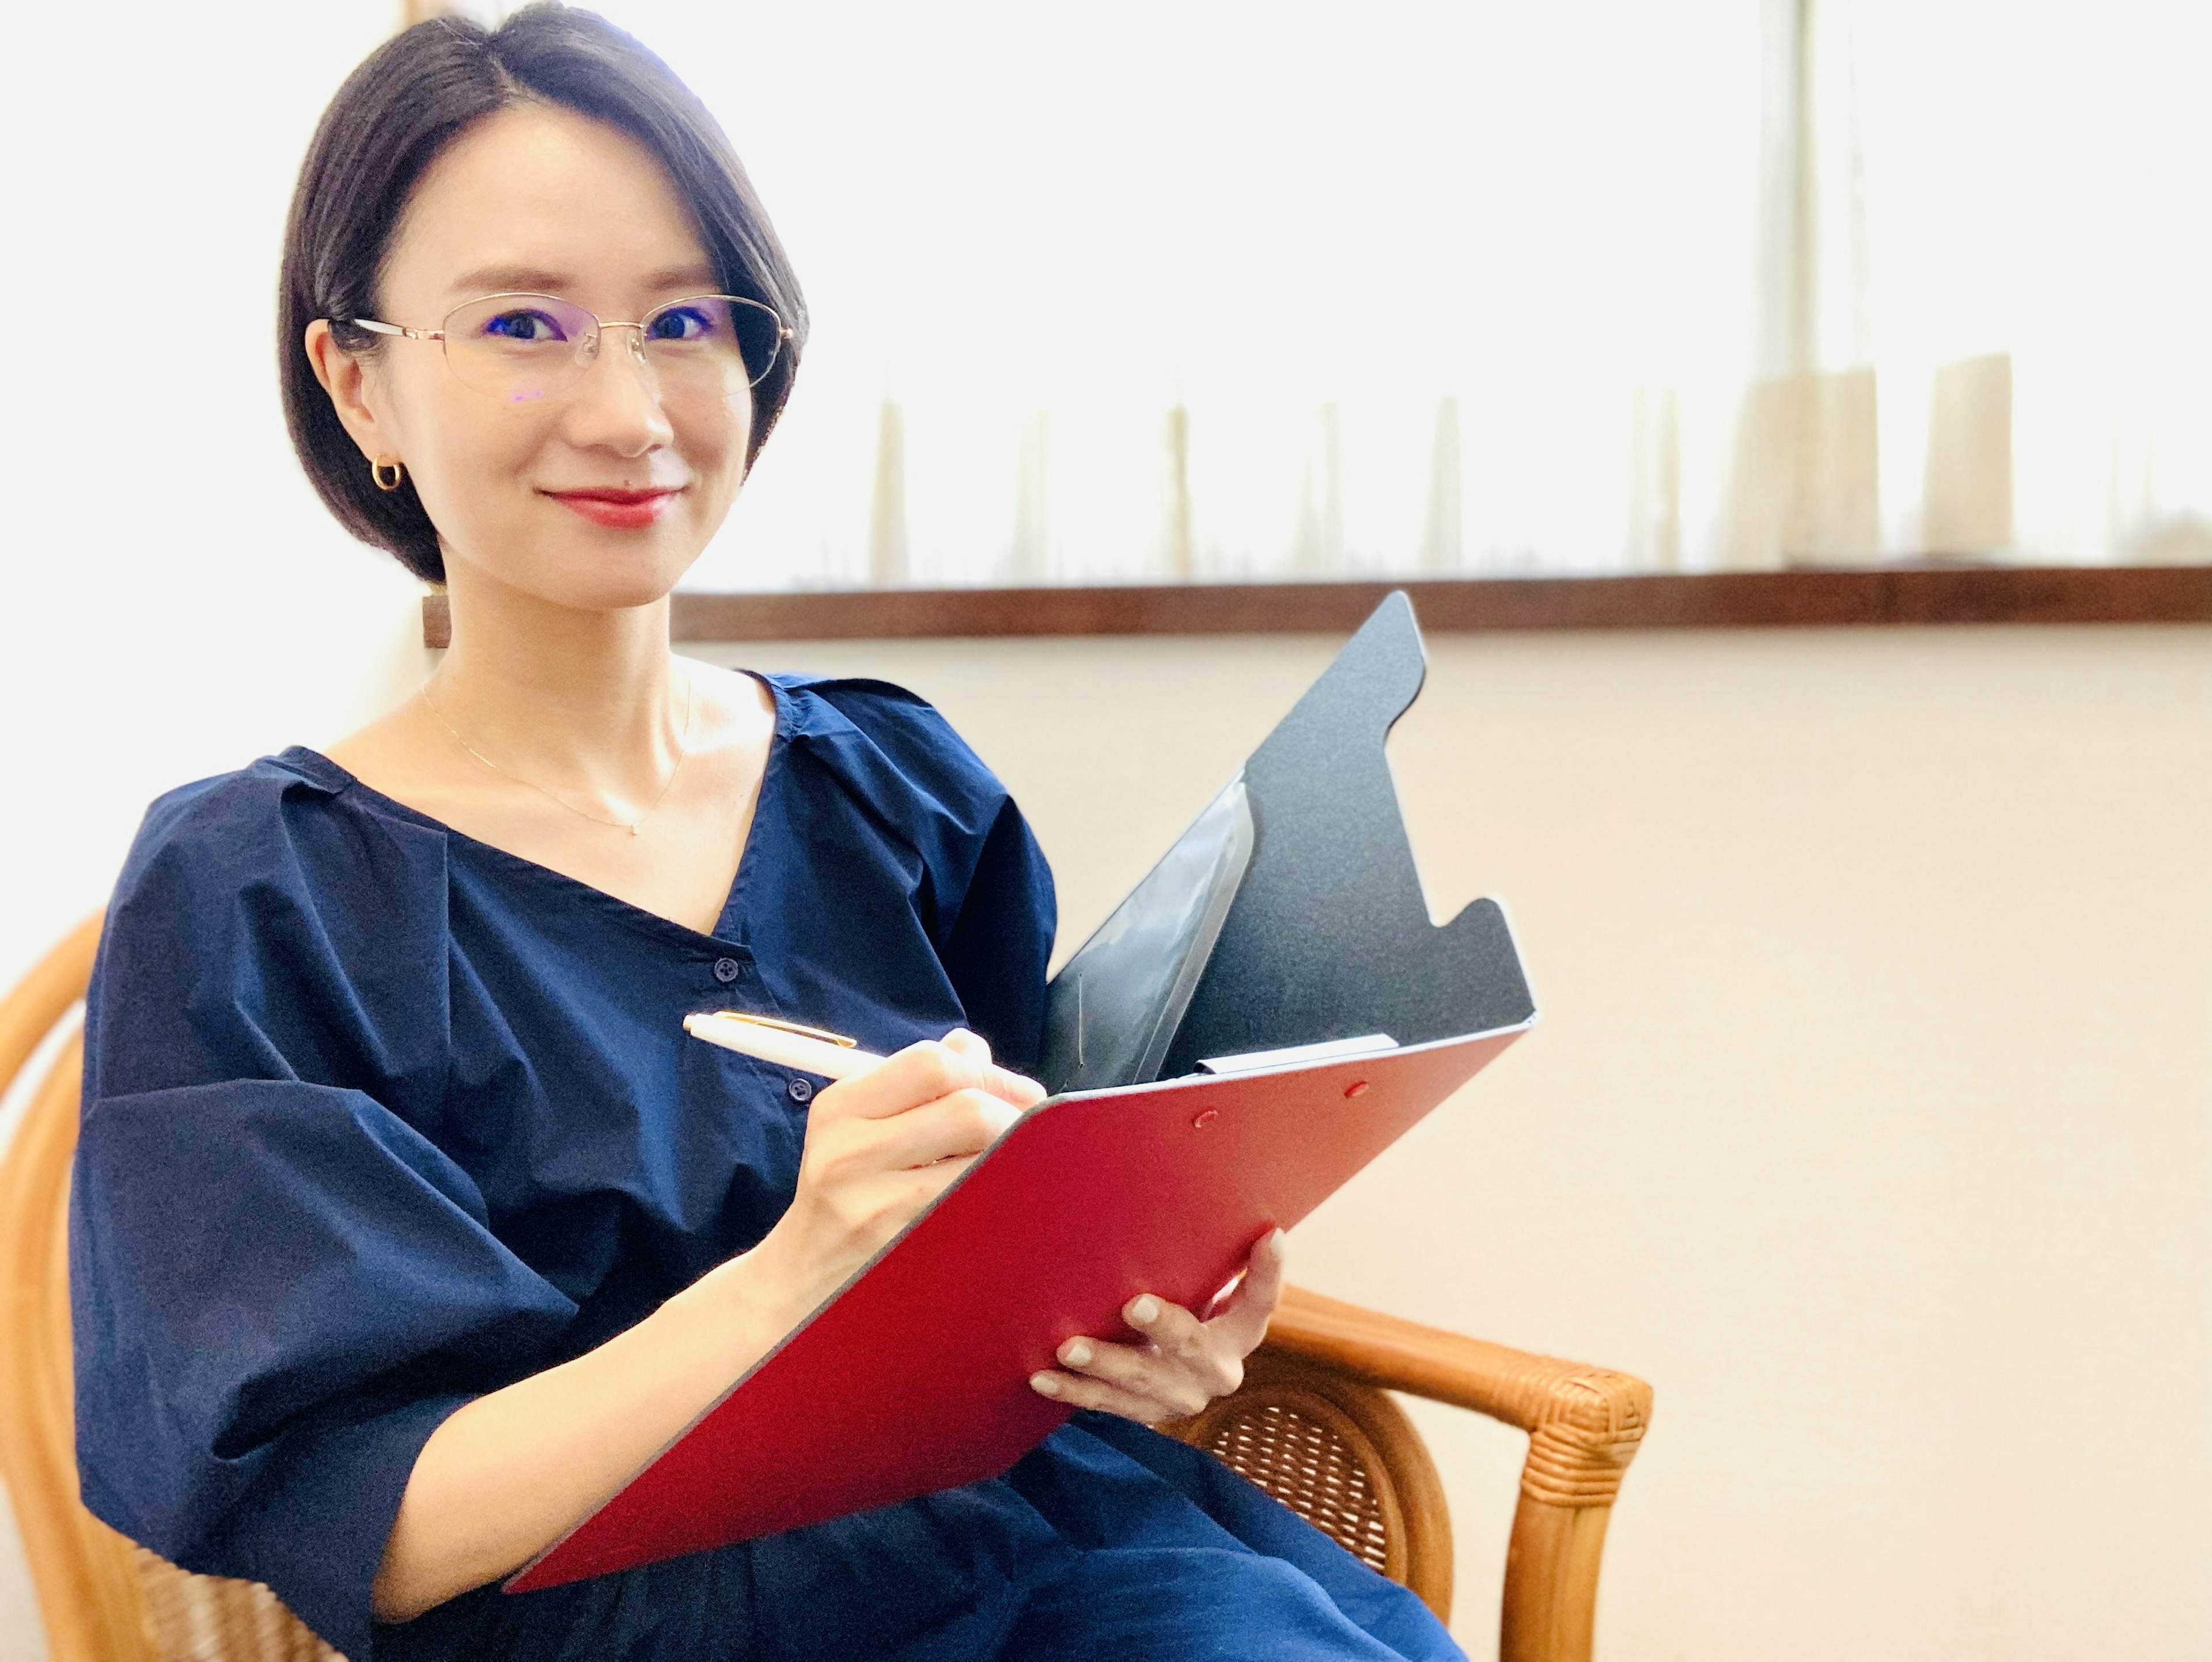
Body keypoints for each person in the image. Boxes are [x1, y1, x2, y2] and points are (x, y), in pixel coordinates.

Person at [69, 7, 1467, 1660]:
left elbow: (1021, 1259)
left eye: (682, 318)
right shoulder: (257, 893)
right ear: (356, 376)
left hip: (1059, 1565)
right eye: (523, 322)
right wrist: (793, 1275)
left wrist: (1152, 1330)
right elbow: (376, 1527)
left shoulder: (889, 782)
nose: (627, 411)